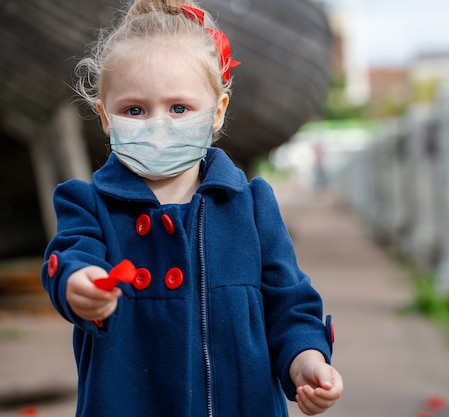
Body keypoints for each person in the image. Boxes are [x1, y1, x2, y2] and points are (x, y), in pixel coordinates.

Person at [40, 0, 343, 415]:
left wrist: (306, 361)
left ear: (217, 112)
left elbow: (288, 305)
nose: (158, 124)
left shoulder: (251, 205)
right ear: (105, 117)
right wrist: (80, 284)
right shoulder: (88, 203)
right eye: (135, 110)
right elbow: (72, 257)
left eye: (179, 108)